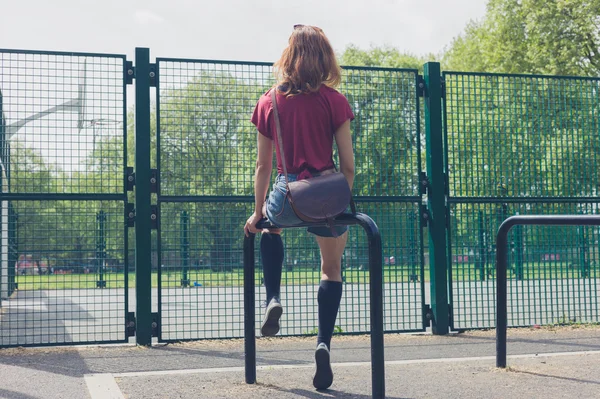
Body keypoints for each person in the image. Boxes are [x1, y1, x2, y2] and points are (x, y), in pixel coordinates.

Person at [243, 24, 355, 390]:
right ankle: (323, 342)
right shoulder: (335, 101)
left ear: (288, 57)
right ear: (325, 57)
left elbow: (263, 166)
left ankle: (273, 297)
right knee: (331, 268)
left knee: (270, 227)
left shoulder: (269, 101)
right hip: (327, 194)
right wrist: (338, 199)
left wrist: (258, 213)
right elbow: (349, 164)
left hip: (288, 192)